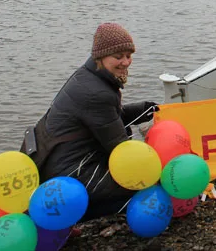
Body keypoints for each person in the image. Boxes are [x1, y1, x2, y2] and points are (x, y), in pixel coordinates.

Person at [20, 22, 158, 222]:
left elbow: (106, 119)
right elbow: (121, 150)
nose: (126, 62)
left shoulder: (88, 76)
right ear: (101, 56)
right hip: (69, 174)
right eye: (118, 57)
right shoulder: (97, 92)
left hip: (53, 162)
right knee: (141, 183)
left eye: (129, 56)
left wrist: (144, 109)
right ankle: (73, 215)